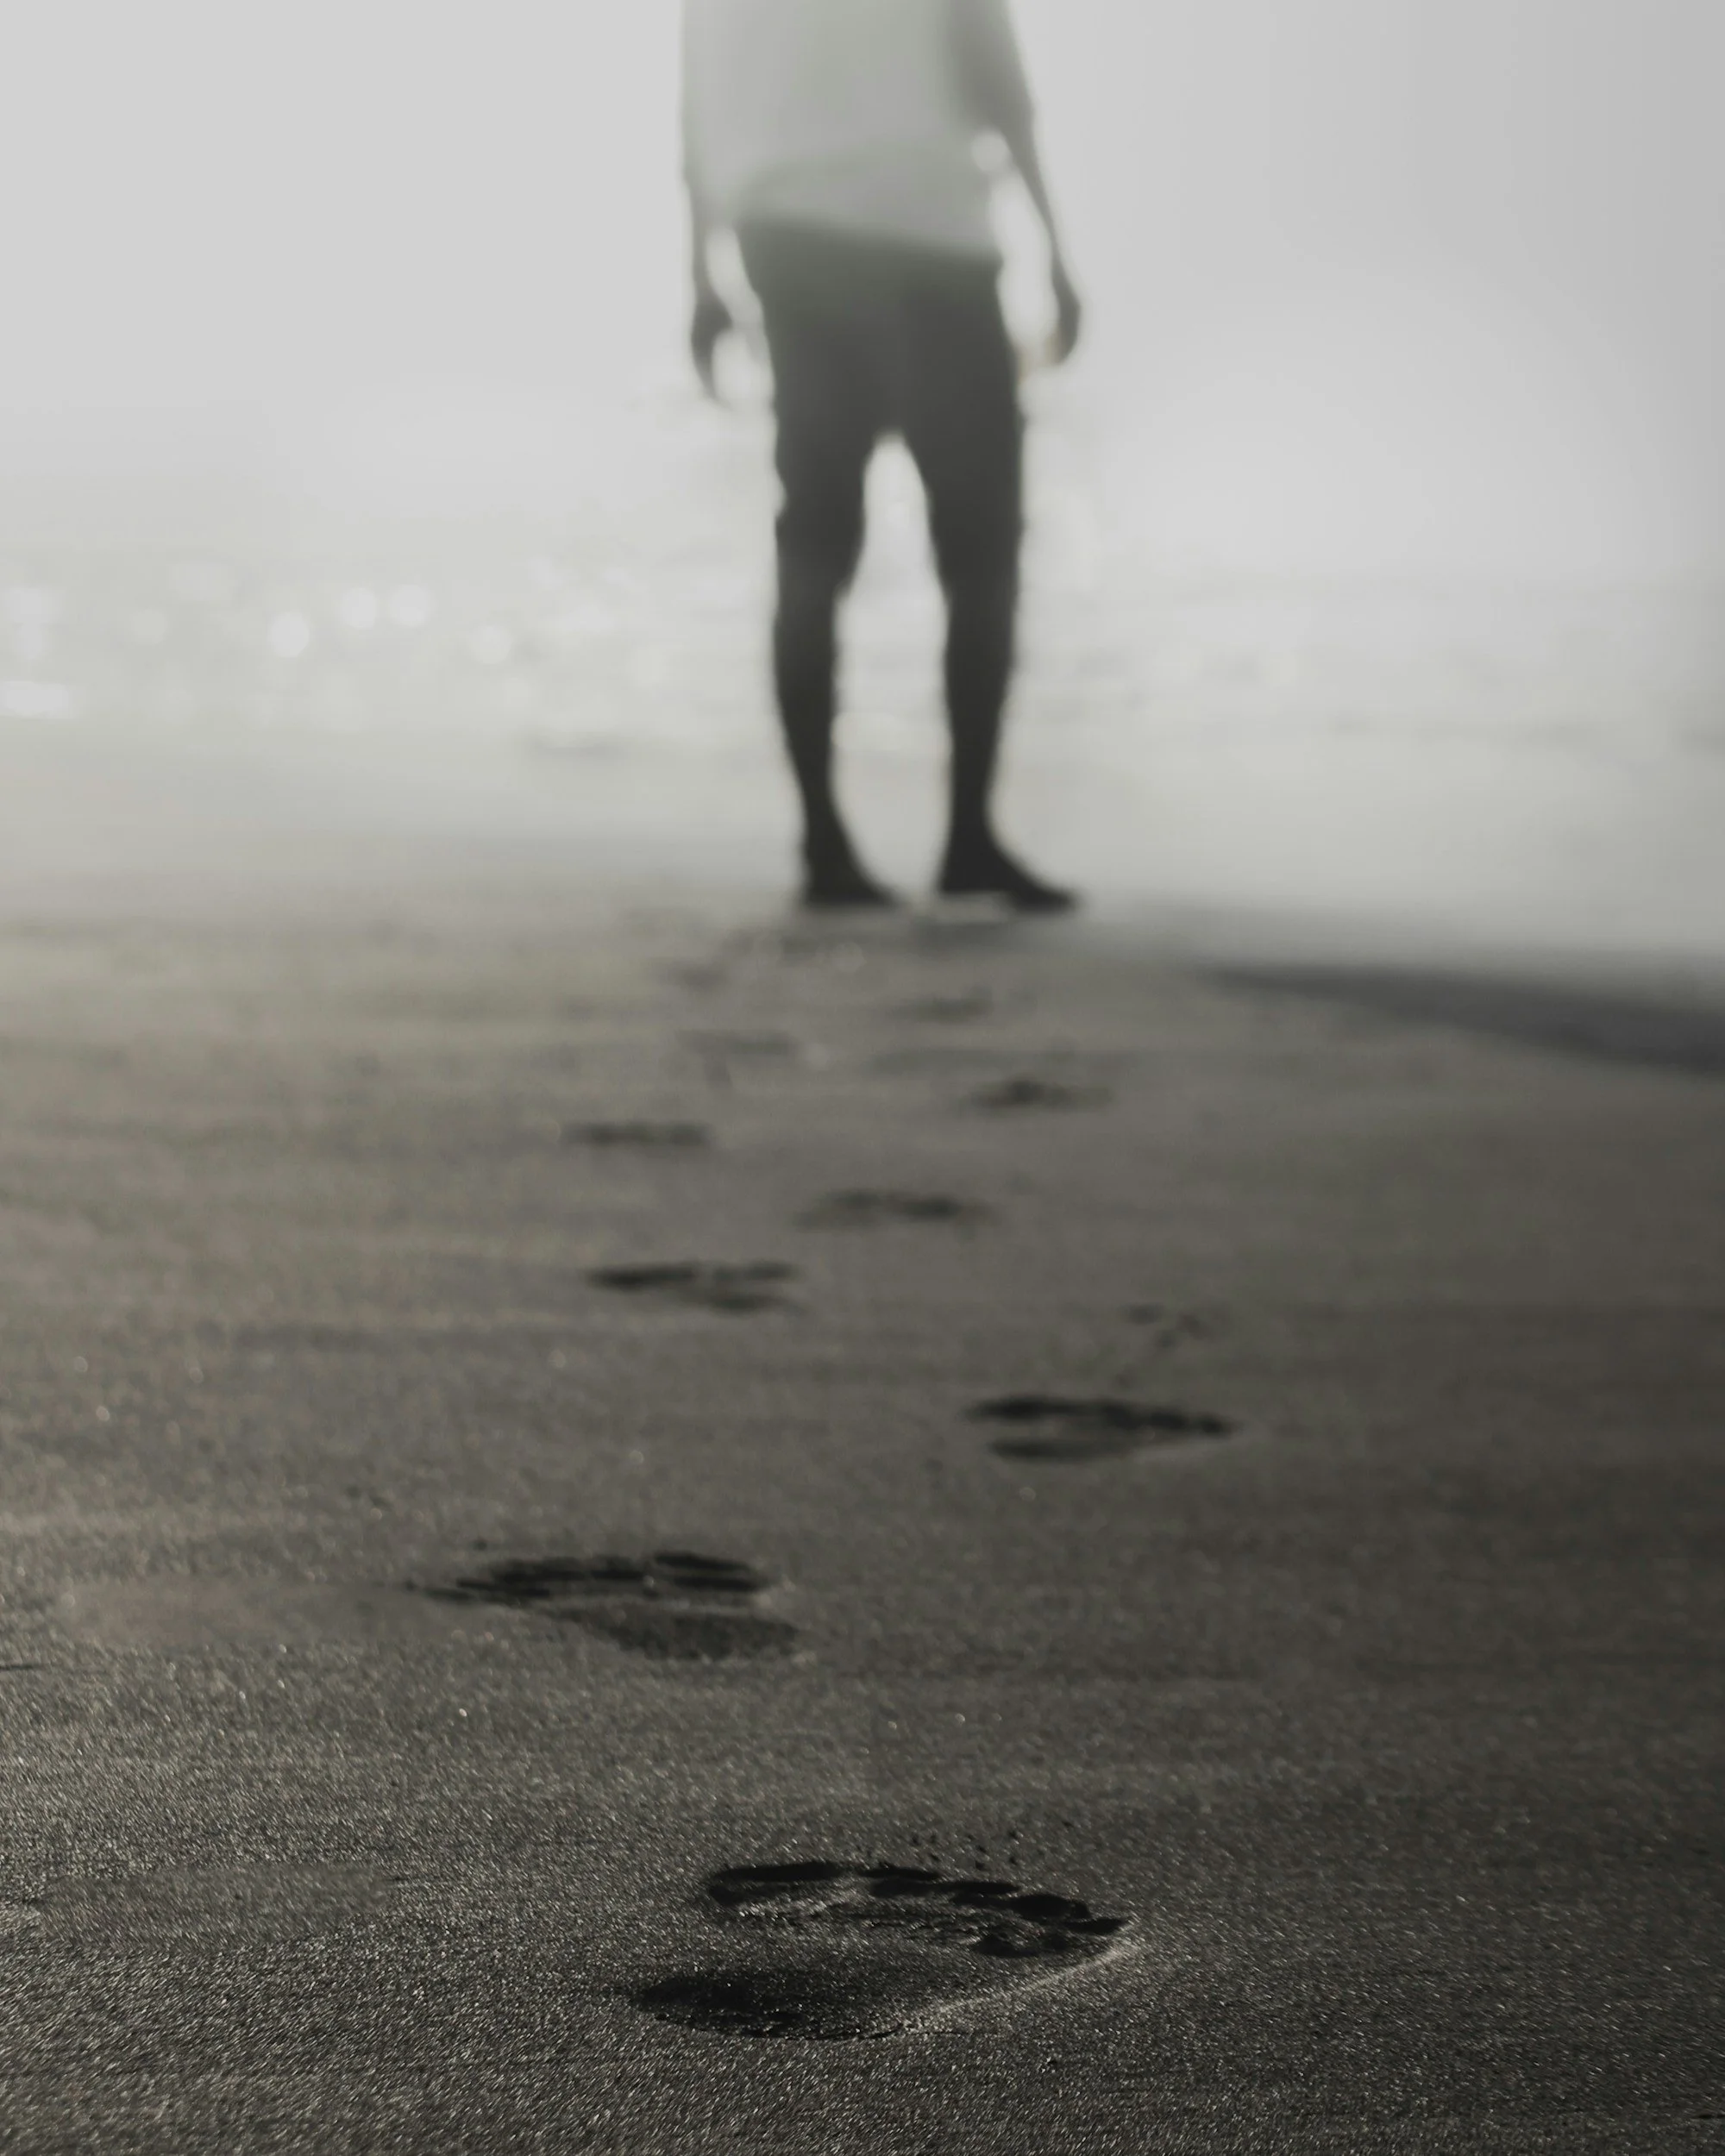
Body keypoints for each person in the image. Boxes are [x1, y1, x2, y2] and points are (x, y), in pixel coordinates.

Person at [681, 0, 1082, 912]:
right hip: (925, 235)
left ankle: (823, 844)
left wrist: (698, 272)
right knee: (979, 554)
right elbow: (998, 78)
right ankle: (966, 836)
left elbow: (696, 103)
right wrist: (1055, 249)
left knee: (814, 550)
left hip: (786, 234)